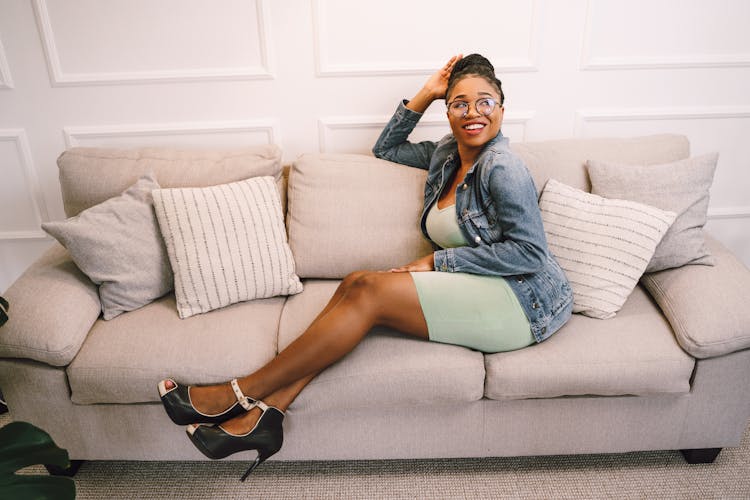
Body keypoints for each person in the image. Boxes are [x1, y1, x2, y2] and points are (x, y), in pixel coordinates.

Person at [158, 53, 573, 480]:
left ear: (502, 109)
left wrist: (436, 260)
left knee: (369, 292)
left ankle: (240, 392)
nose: (473, 113)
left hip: (522, 300)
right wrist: (426, 92)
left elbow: (529, 254)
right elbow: (386, 148)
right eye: (459, 103)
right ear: (447, 111)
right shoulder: (447, 154)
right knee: (357, 282)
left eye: (485, 102)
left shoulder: (502, 168)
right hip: (481, 284)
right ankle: (265, 417)